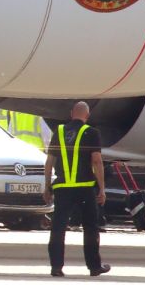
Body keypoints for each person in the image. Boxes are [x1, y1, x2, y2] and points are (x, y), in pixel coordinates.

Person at [43, 102, 109, 278]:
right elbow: (96, 161)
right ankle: (94, 267)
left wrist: (47, 186)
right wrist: (102, 189)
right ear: (87, 116)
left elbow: (49, 162)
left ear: (72, 113)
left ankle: (56, 267)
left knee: (58, 227)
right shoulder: (92, 133)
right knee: (90, 227)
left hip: (63, 188)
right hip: (84, 188)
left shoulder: (59, 131)